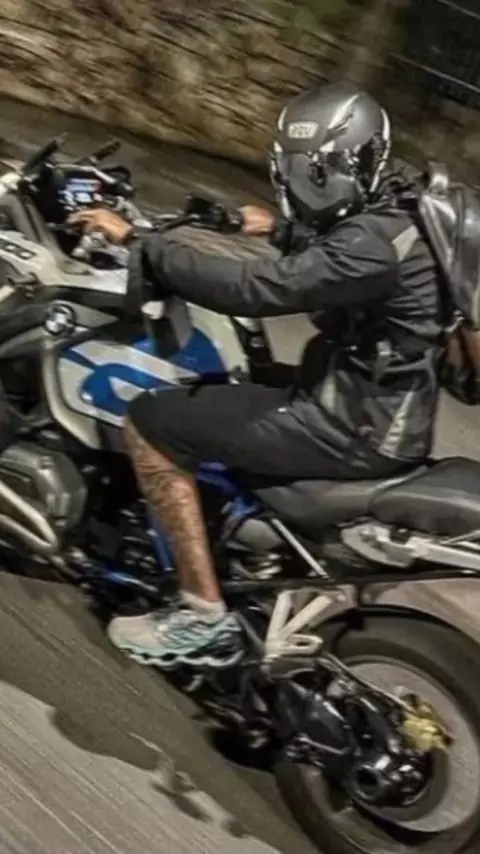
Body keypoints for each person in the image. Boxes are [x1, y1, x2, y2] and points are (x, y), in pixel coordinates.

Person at [69, 81, 442, 669]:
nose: (296, 184)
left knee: (153, 423)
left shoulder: (371, 244)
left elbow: (256, 289)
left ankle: (201, 614)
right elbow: (336, 260)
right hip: (375, 403)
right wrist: (272, 228)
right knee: (239, 374)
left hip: (353, 424)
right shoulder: (395, 215)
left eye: (301, 171)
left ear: (330, 169)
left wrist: (142, 243)